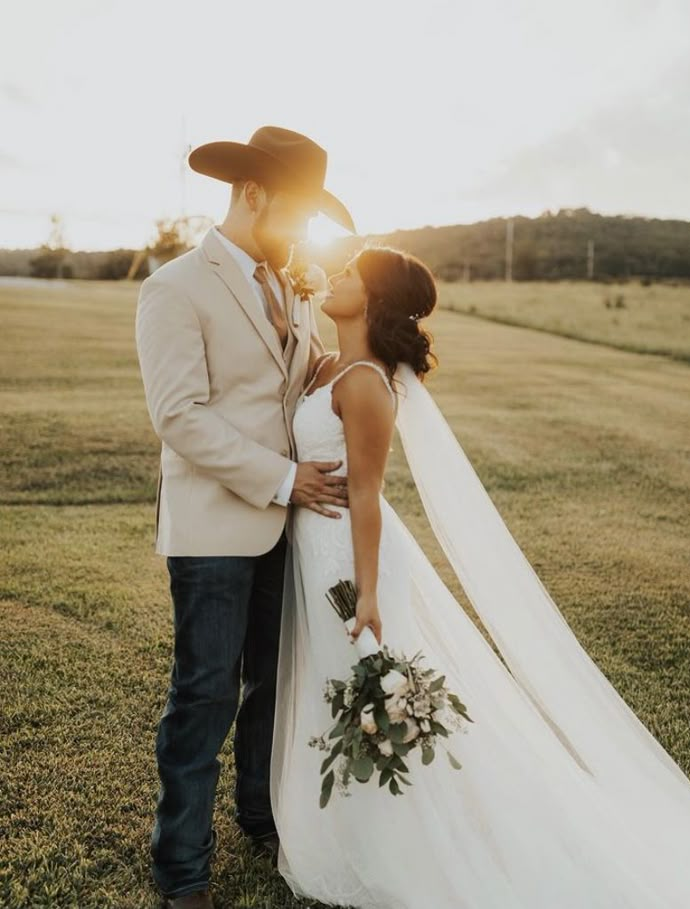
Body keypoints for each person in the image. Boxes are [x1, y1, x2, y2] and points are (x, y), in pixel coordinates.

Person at [270, 244, 690, 908]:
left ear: (372, 300)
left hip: (349, 559)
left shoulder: (368, 383)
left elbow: (368, 496)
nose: (333, 275)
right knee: (334, 688)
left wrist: (369, 591)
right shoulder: (325, 364)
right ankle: (351, 829)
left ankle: (409, 842)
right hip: (314, 551)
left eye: (348, 274)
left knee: (368, 694)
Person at [134, 125, 356, 909]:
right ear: (252, 193)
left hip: (284, 524)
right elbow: (181, 418)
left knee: (273, 681)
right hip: (214, 526)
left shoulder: (290, 285)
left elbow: (279, 390)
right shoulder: (175, 288)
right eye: (294, 213)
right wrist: (286, 478)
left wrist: (324, 367)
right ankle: (181, 868)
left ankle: (260, 814)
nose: (301, 233)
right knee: (204, 692)